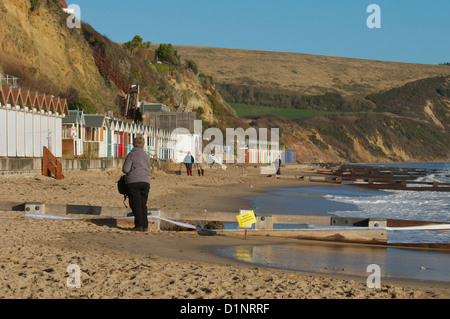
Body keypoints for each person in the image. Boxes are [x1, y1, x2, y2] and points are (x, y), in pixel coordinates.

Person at [122, 135, 150, 232]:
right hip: (146, 181)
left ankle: (139, 225)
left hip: (133, 181)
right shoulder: (146, 156)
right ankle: (145, 225)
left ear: (134, 143)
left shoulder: (131, 155)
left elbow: (125, 169)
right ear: (143, 144)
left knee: (135, 204)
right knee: (143, 204)